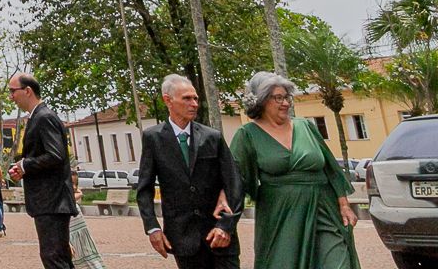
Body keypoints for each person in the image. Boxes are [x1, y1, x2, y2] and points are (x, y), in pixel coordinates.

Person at [229, 70, 359, 269]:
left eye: (287, 97)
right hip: (281, 216)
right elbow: (236, 178)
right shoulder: (247, 135)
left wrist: (344, 204)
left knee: (337, 263)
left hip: (323, 209)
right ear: (262, 101)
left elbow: (332, 169)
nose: (286, 103)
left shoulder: (305, 126)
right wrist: (223, 200)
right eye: (278, 98)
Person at [135, 74, 241, 267]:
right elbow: (144, 188)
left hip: (220, 236)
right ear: (168, 100)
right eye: (187, 98)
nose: (194, 104)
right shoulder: (153, 139)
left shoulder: (212, 137)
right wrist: (152, 228)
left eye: (195, 98)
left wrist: (226, 225)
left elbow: (234, 182)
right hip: (183, 238)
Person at [8, 71, 77, 269]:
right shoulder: (38, 116)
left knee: (54, 259)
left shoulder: (44, 117)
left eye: (13, 91)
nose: (11, 97)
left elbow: (55, 155)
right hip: (50, 202)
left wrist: (24, 165)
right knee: (57, 258)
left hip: (52, 202)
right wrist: (23, 168)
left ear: (27, 91)